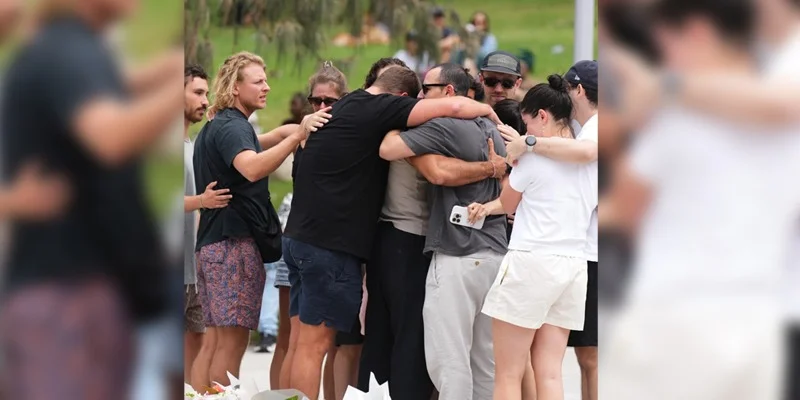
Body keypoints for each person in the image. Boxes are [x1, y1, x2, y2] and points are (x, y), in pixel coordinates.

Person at [600, 0, 798, 398]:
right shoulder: (778, 120)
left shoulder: (682, 115)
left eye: (666, 42)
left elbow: (625, 209)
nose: (665, 58)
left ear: (697, 32)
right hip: (757, 321)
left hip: (677, 316)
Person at [282, 65, 501, 399]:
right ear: (399, 97)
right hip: (342, 244)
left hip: (308, 237)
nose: (420, 100)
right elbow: (437, 166)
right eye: (417, 94)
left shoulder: (347, 105)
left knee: (302, 343)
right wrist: (488, 123)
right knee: (318, 347)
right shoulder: (387, 116)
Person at [0, 0, 183, 397]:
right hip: (63, 292)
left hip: (82, 286)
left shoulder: (71, 50)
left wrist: (165, 72)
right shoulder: (64, 50)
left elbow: (107, 88)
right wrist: (178, 88)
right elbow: (110, 137)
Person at [359, 63, 507, 399]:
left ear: (449, 92)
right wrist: (491, 167)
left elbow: (396, 152)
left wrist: (394, 127)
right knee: (484, 361)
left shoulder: (444, 125)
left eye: (427, 89)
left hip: (456, 253)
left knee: (449, 359)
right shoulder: (492, 128)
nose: (420, 97)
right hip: (495, 253)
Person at [190, 51, 328, 390]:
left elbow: (259, 143)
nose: (267, 87)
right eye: (258, 81)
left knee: (213, 342)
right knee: (231, 343)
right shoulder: (233, 126)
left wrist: (290, 131)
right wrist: (296, 137)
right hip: (233, 247)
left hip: (213, 245)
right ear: (236, 87)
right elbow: (251, 167)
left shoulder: (219, 125)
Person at [482, 75, 596, 400]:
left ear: (542, 116)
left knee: (508, 374)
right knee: (550, 373)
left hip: (531, 261)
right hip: (574, 265)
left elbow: (507, 205)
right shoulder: (590, 161)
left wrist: (511, 157)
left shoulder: (532, 158)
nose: (526, 133)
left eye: (528, 123)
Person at [183, 63, 234, 387]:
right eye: (198, 93)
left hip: (194, 271)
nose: (205, 100)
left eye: (206, 93)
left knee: (198, 353)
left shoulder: (192, 143)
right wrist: (202, 200)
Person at [563, 61, 599, 400]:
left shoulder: (596, 131)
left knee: (592, 358)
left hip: (597, 254)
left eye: (567, 89)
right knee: (588, 357)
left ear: (579, 90)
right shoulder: (588, 130)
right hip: (591, 253)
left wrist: (529, 143)